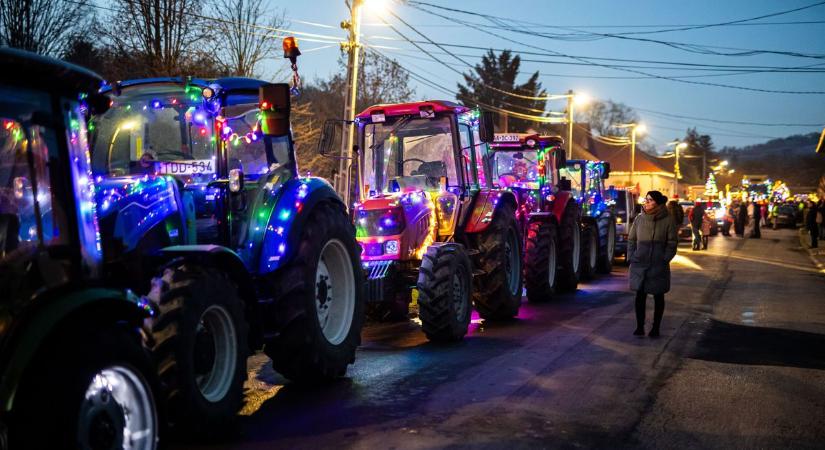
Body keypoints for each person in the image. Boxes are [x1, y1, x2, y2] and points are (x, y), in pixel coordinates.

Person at [627, 191, 678, 338]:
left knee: (658, 296)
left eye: (649, 200)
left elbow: (672, 243)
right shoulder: (639, 219)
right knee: (640, 296)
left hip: (658, 265)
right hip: (640, 264)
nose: (646, 202)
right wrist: (632, 257)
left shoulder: (668, 220)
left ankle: (656, 327)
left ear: (657, 203)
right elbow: (631, 240)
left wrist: (664, 259)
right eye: (646, 200)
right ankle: (639, 326)